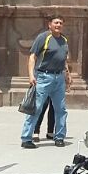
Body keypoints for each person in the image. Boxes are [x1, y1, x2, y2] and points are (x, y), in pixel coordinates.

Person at [21, 15, 71, 149]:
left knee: (61, 109)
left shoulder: (64, 40)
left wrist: (67, 75)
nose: (58, 25)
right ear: (49, 25)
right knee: (36, 108)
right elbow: (32, 56)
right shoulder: (43, 37)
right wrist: (31, 75)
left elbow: (64, 59)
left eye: (60, 23)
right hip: (44, 76)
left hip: (59, 77)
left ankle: (59, 137)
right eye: (56, 22)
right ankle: (26, 138)